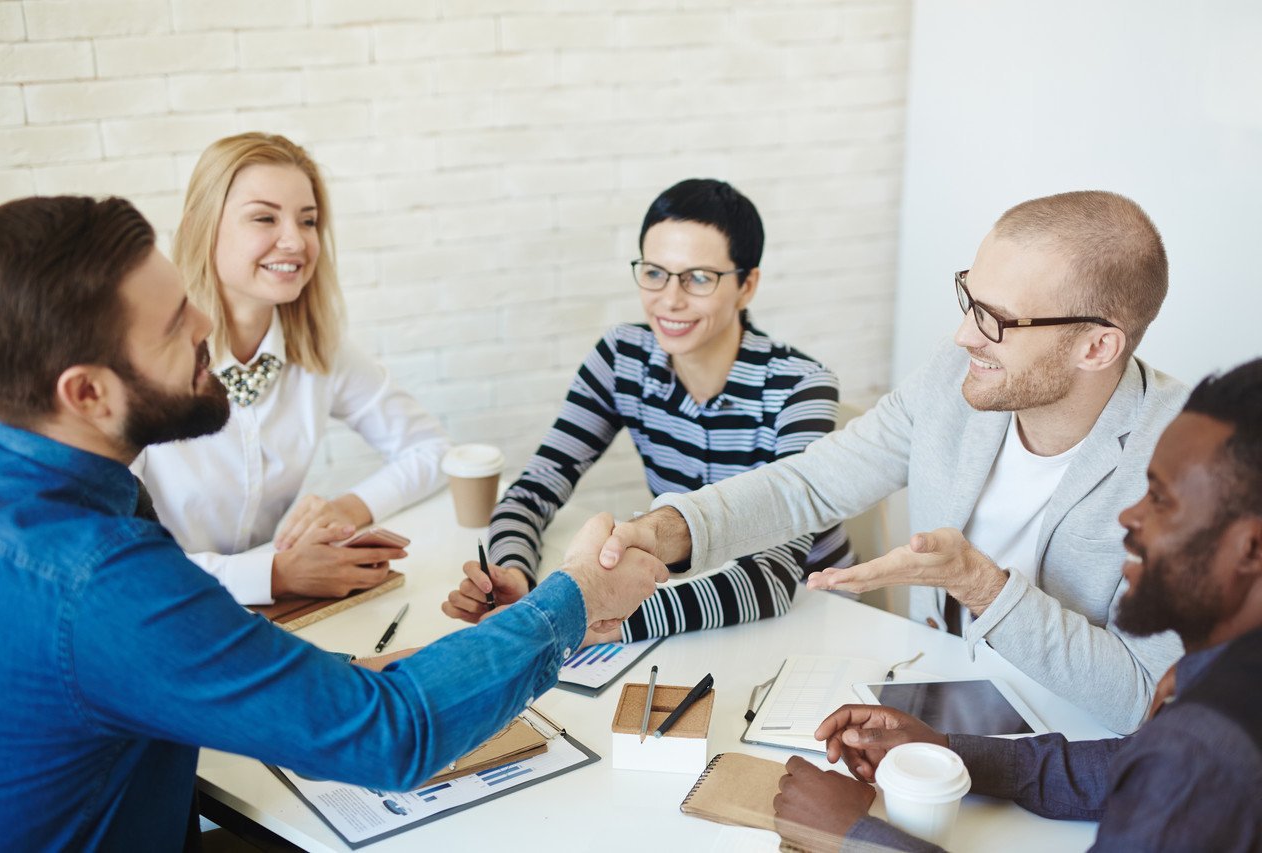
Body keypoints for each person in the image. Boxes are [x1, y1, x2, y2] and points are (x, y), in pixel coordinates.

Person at [0, 195, 665, 849]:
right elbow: (391, 734)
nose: (205, 327)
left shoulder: (50, 500)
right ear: (87, 393)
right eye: (172, 325)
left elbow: (178, 656)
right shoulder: (98, 580)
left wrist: (347, 673)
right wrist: (578, 597)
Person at [602, 191, 1188, 733]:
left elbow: (1144, 696)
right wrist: (664, 532)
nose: (965, 336)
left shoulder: (1188, 467)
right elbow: (809, 485)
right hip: (935, 699)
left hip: (1076, 744)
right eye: (968, 299)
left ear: (1097, 347)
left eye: (998, 320)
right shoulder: (956, 373)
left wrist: (978, 584)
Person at [772, 358, 1262, 852]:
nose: (1129, 516)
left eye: (1160, 499)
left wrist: (853, 836)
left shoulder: (1206, 751)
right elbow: (1129, 764)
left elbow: (1174, 767)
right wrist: (951, 751)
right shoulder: (1213, 705)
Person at [442, 178, 853, 643]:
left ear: (746, 286)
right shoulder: (624, 358)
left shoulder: (801, 386)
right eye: (654, 272)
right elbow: (534, 489)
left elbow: (774, 579)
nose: (670, 299)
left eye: (699, 278)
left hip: (813, 621)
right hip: (686, 606)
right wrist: (515, 575)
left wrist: (579, 615)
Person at [133, 132, 450, 606]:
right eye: (264, 217)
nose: (295, 240)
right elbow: (123, 561)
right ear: (203, 226)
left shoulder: (320, 349)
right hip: (166, 615)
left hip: (275, 619)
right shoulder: (140, 364)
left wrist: (344, 508)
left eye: (308, 220)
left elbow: (431, 451)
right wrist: (276, 574)